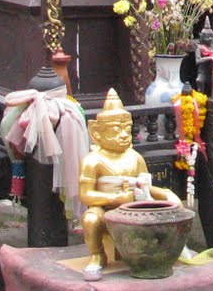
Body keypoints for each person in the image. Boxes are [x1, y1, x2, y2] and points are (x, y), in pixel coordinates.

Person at [77, 90, 180, 278]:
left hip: (135, 207)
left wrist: (165, 194)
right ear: (97, 132)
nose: (124, 135)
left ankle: (158, 255)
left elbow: (145, 187)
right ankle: (97, 255)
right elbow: (86, 195)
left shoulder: (135, 157)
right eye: (116, 130)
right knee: (91, 219)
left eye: (127, 128)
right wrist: (116, 197)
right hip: (106, 209)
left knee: (162, 211)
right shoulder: (93, 161)